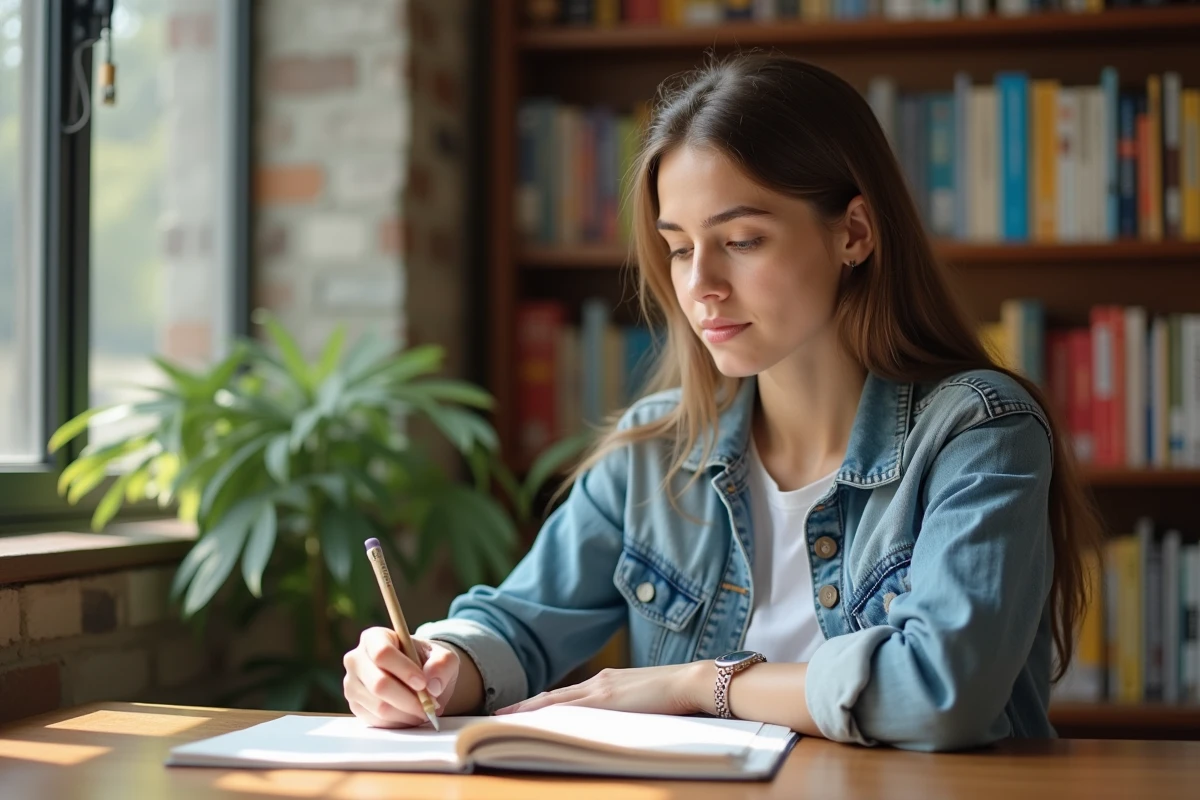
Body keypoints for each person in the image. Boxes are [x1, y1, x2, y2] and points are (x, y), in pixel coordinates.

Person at [342, 52, 1103, 752]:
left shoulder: (978, 431)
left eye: (740, 239)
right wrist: (434, 666)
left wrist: (691, 685)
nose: (700, 284)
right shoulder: (658, 450)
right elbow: (516, 627)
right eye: (678, 247)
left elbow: (940, 692)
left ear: (855, 233)